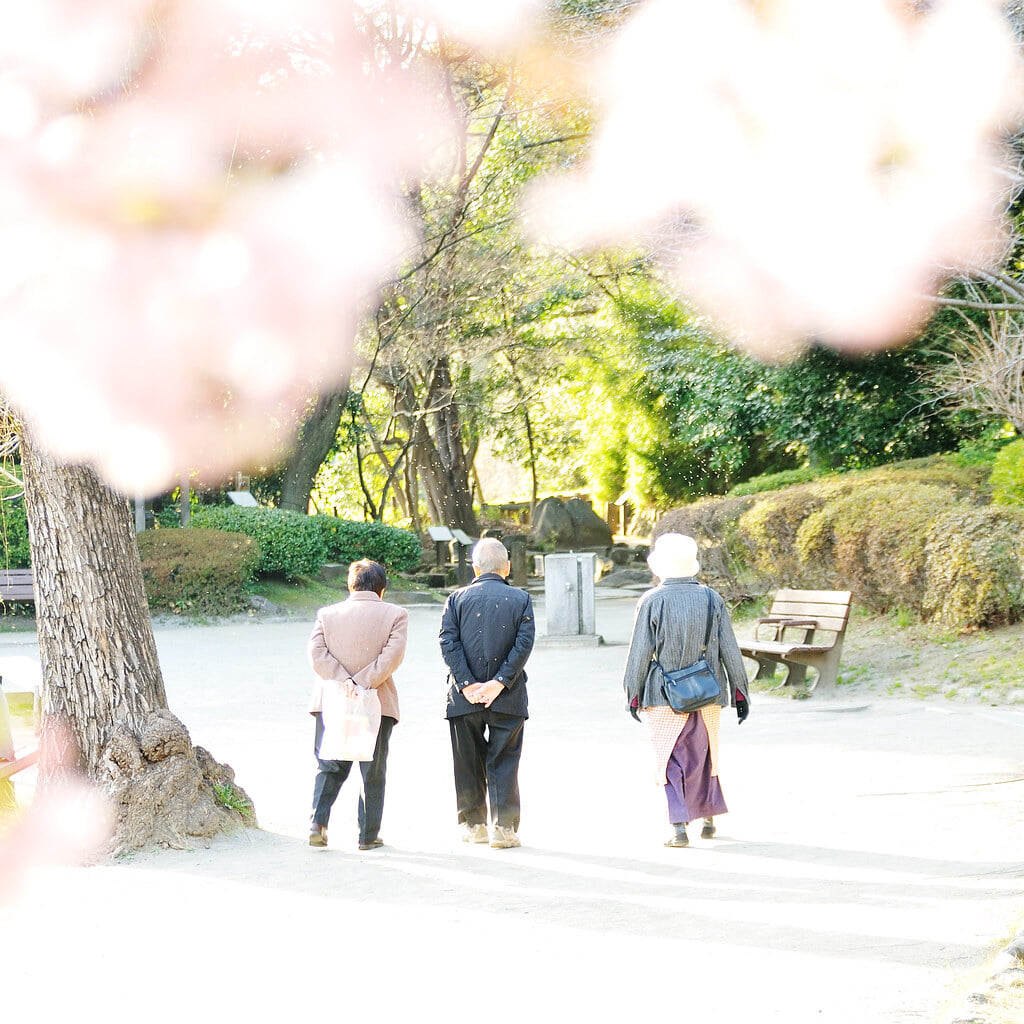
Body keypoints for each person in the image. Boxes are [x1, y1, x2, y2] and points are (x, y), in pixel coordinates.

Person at [622, 533, 750, 848]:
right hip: (708, 691)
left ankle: (679, 827)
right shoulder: (711, 599)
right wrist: (740, 692)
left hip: (663, 695)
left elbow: (639, 654)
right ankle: (708, 818)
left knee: (671, 759)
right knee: (705, 755)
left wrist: (632, 694)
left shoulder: (651, 601)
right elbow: (730, 650)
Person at [439, 537, 535, 849]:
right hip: (507, 695)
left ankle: (475, 824)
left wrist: (466, 683)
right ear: (507, 567)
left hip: (463, 697)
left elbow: (447, 642)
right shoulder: (520, 599)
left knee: (466, 760)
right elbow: (524, 644)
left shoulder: (456, 599)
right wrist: (499, 682)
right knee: (504, 758)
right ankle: (504, 829)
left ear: (475, 568)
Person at [306, 559, 408, 851]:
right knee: (372, 769)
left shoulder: (327, 614)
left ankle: (318, 824)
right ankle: (368, 835)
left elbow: (315, 653)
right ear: (382, 589)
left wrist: (343, 682)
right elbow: (393, 655)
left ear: (350, 584)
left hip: (331, 700)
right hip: (376, 699)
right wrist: (362, 682)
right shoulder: (396, 614)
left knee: (330, 764)